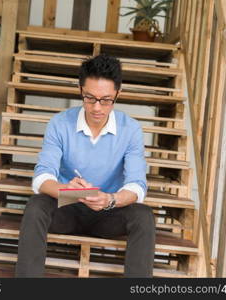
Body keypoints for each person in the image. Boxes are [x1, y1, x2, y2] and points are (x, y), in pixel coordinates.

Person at [15, 54, 156, 278]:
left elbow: (137, 186)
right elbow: (42, 178)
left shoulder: (131, 130)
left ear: (118, 94)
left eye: (106, 99)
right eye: (90, 98)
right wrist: (72, 191)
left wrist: (110, 199)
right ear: (81, 91)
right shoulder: (60, 124)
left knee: (143, 216)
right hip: (68, 207)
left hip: (109, 212)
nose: (97, 107)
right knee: (35, 206)